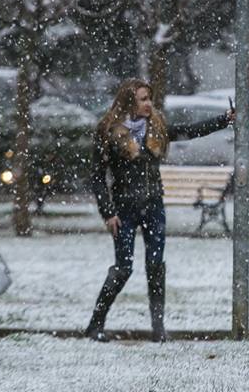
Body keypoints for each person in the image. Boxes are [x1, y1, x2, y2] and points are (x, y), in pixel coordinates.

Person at [85, 79, 234, 342]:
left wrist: (224, 120)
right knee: (123, 268)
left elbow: (189, 130)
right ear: (130, 101)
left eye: (149, 98)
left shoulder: (157, 127)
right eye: (143, 99)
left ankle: (158, 328)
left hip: (153, 205)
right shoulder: (108, 131)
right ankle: (95, 325)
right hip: (124, 209)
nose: (148, 104)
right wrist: (108, 212)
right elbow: (97, 176)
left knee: (155, 265)